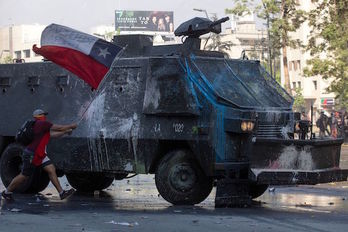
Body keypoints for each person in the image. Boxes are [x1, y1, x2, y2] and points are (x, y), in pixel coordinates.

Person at [1, 109, 77, 201]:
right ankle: (7, 192)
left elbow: (53, 135)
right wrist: (71, 126)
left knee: (51, 169)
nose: (45, 116)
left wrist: (65, 132)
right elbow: (59, 128)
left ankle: (61, 193)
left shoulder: (40, 127)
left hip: (40, 155)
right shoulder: (42, 124)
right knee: (24, 175)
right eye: (43, 115)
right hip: (31, 154)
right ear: (38, 116)